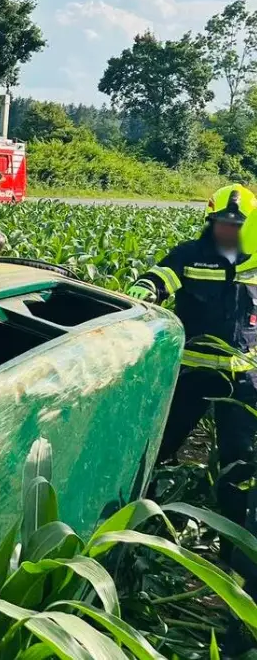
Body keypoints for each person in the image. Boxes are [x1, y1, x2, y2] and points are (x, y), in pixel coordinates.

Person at [129, 183, 257, 595]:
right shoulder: (190, 254)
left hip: (243, 384)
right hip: (192, 377)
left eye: (236, 225)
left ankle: (233, 550)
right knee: (159, 448)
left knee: (239, 468)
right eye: (222, 223)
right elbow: (158, 278)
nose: (228, 231)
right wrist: (143, 290)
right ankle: (138, 526)